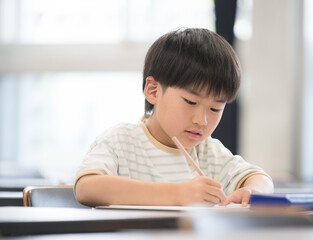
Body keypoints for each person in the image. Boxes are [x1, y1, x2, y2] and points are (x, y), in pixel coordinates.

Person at [74, 28, 273, 207]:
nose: (201, 120)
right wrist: (177, 193)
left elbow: (259, 178)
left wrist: (253, 192)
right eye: (190, 102)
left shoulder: (208, 152)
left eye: (214, 109)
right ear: (153, 91)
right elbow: (86, 187)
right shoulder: (120, 141)